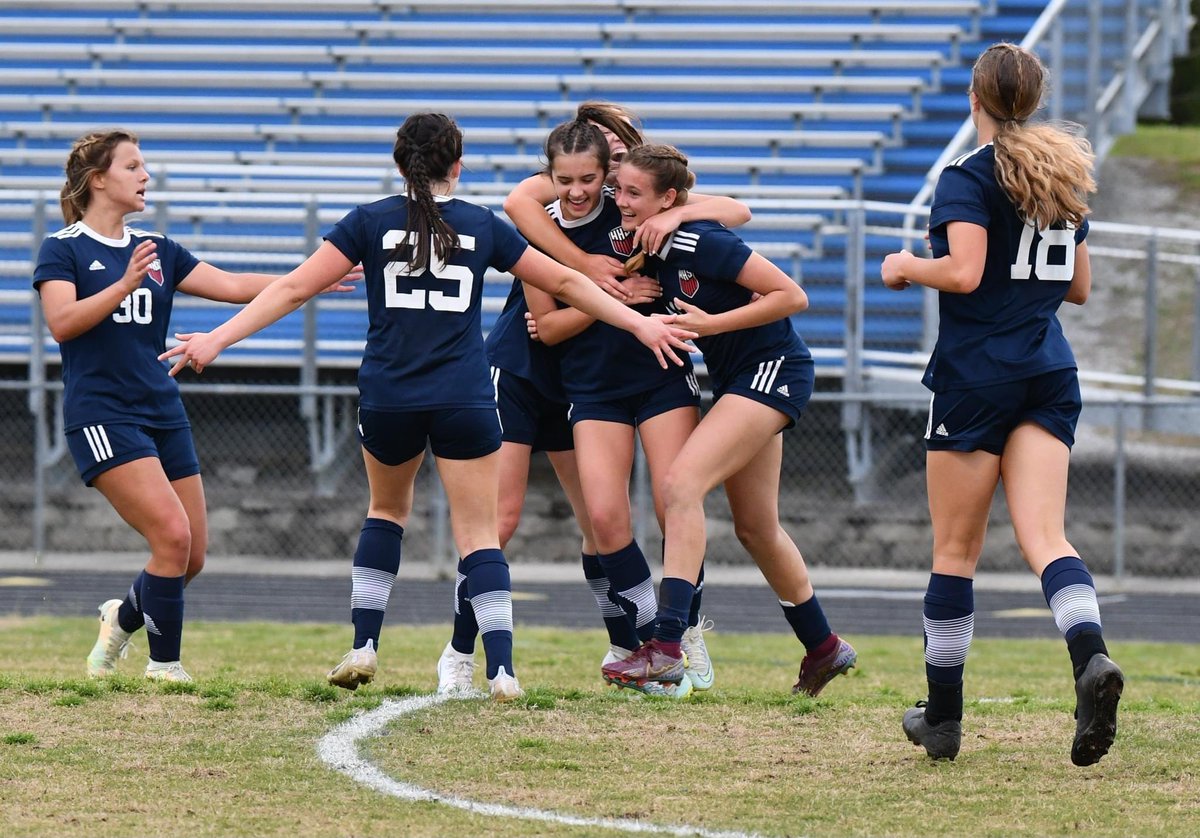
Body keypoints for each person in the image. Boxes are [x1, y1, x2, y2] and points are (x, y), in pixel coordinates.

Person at [159, 113, 696, 701]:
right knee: (481, 534)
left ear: (399, 164)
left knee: (386, 511)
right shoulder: (481, 224)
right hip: (463, 395)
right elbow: (568, 285)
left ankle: (365, 645)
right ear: (458, 165)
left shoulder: (369, 220)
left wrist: (217, 338)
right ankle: (502, 671)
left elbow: (292, 288)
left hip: (389, 394)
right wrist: (640, 325)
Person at [443, 103, 750, 695]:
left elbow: (735, 210)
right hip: (562, 380)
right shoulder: (540, 220)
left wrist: (675, 215)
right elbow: (547, 322)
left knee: (662, 507)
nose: (586, 185)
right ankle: (464, 653)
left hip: (649, 372)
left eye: (601, 167)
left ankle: (670, 637)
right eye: (571, 176)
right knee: (566, 520)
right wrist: (603, 287)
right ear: (555, 170)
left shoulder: (635, 202)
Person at [33, 129, 355, 683]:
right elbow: (62, 323)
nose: (145, 176)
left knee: (192, 554)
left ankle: (120, 617)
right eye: (133, 166)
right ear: (98, 180)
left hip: (163, 410)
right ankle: (165, 668)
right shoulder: (63, 248)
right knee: (171, 537)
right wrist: (124, 283)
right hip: (103, 415)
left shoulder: (157, 247)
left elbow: (230, 284)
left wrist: (308, 281)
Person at [878, 43, 1122, 765]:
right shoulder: (1060, 172)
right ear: (1034, 100)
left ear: (975, 99)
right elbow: (1079, 288)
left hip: (978, 377)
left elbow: (964, 271)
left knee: (956, 550)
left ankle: (944, 717)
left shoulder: (967, 174)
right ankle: (1090, 659)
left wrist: (905, 266)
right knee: (1047, 538)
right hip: (1048, 370)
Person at [599, 145, 857, 699]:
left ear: (668, 198)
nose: (621, 201)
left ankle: (667, 646)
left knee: (680, 486)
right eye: (619, 190)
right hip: (744, 378)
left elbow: (792, 295)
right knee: (756, 527)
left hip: (772, 369)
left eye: (634, 193)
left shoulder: (700, 239)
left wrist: (713, 324)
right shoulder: (652, 239)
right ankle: (824, 646)